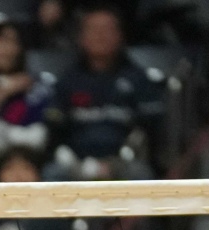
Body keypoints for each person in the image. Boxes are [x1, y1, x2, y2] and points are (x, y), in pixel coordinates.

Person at [47, 3, 162, 178]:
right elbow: (54, 126)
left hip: (125, 161)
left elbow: (150, 128)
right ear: (81, 37)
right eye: (94, 30)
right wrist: (73, 161)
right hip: (75, 162)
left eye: (107, 29)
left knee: (140, 173)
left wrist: (120, 161)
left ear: (120, 35)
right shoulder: (67, 80)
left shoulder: (138, 79)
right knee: (53, 173)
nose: (100, 36)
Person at [0, 19, 51, 153]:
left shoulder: (35, 86)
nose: (4, 49)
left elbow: (42, 129)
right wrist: (3, 92)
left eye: (11, 42)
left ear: (19, 49)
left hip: (27, 155)